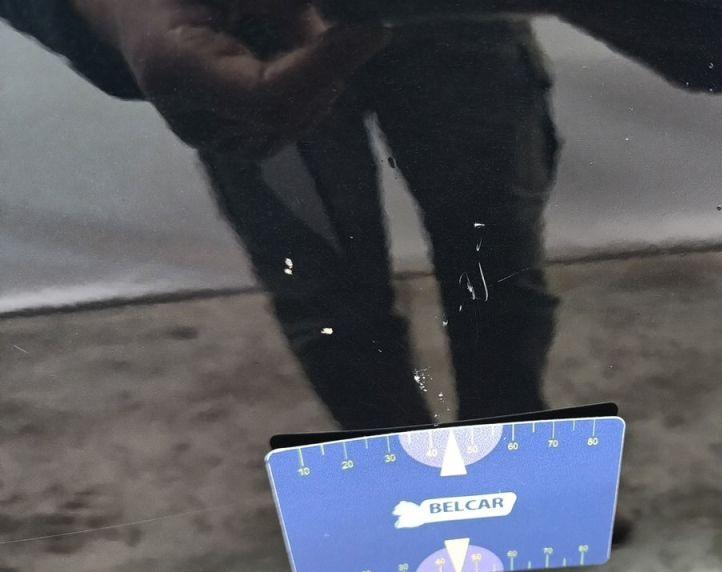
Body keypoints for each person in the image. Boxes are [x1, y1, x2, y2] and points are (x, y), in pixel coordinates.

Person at [2, 0, 561, 431]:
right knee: (336, 298)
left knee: (491, 264)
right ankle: (412, 481)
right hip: (252, 24)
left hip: (314, 27)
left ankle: (478, 471)